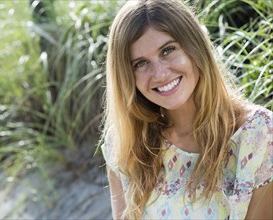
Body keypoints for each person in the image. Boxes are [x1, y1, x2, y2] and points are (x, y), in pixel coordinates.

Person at [99, 0, 273, 219]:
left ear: (195, 46)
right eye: (140, 64)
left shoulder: (259, 135)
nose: (160, 74)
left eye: (167, 50)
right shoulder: (124, 144)